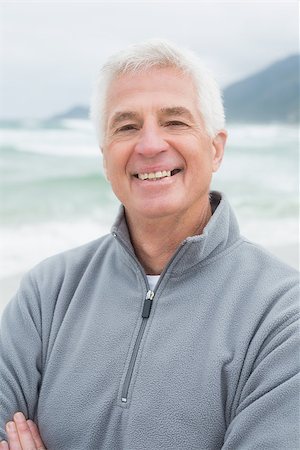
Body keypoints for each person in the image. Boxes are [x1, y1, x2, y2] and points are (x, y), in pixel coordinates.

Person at [0, 39, 299, 450]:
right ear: (106, 158)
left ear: (215, 149)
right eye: (126, 126)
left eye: (175, 122)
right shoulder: (46, 294)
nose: (150, 145)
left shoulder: (283, 316)